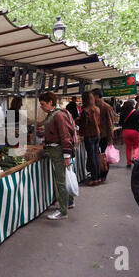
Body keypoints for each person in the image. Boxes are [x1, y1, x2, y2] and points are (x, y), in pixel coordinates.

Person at [38, 92, 75, 220]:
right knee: (62, 179)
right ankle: (68, 202)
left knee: (60, 181)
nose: (41, 107)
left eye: (43, 104)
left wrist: (66, 155)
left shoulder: (58, 115)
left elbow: (65, 136)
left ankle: (62, 211)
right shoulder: (53, 114)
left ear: (50, 102)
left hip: (58, 152)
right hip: (55, 151)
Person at [91, 88, 115, 182]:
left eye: (92, 95)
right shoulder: (93, 107)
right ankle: (98, 174)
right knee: (96, 155)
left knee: (103, 157)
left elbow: (110, 123)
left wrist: (110, 138)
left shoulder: (106, 107)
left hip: (104, 136)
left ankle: (103, 174)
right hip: (96, 135)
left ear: (97, 96)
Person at [78, 91, 101, 186]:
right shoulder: (97, 109)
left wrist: (77, 121)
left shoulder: (85, 111)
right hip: (97, 134)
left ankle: (94, 178)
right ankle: (98, 177)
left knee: (92, 157)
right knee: (95, 156)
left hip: (89, 135)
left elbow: (84, 124)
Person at [119, 100, 139, 168]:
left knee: (128, 147)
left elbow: (120, 123)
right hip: (135, 131)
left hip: (126, 131)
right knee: (136, 146)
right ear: (133, 105)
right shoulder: (137, 112)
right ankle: (135, 159)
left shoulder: (122, 113)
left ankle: (128, 163)